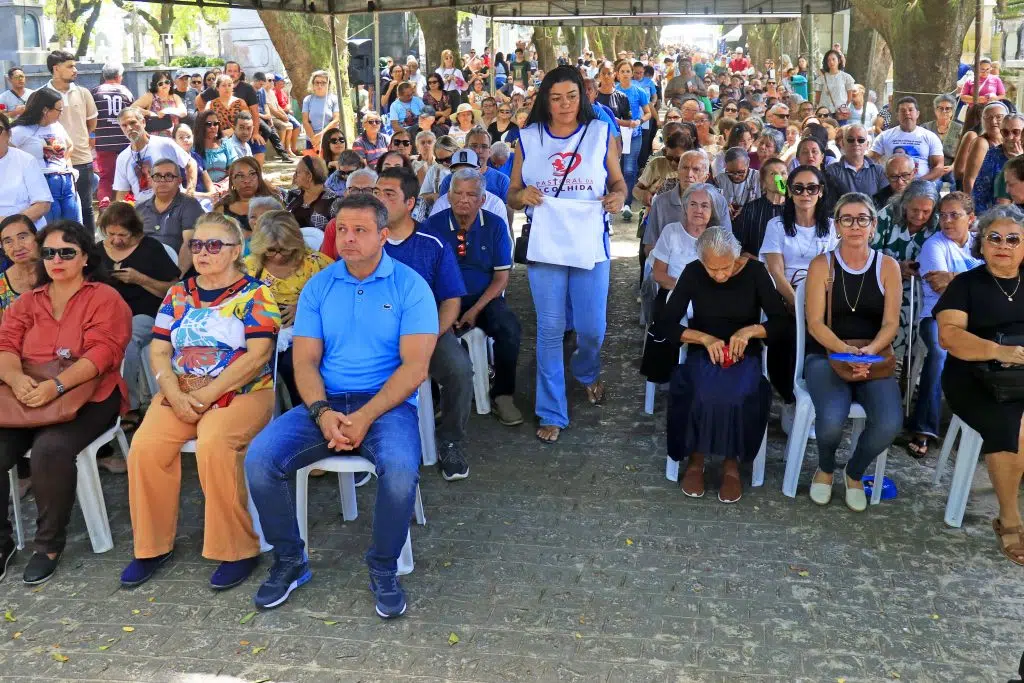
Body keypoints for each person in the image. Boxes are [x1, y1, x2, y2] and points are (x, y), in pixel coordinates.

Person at [244, 193, 438, 614]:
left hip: (386, 407)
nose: (348, 239)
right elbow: (306, 360)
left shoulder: (411, 287)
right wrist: (323, 412)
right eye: (342, 230)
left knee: (402, 471)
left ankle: (383, 566)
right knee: (259, 459)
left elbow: (414, 368)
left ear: (384, 236)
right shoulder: (320, 285)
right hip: (326, 402)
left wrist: (365, 417)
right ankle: (290, 561)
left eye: (360, 231)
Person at [118, 213, 279, 590]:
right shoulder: (179, 293)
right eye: (197, 245)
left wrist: (206, 395)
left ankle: (238, 549)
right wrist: (172, 392)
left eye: (214, 245)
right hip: (180, 391)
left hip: (244, 391)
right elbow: (159, 350)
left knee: (214, 446)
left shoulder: (257, 293)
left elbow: (257, 356)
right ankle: (152, 546)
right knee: (144, 448)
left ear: (237, 250)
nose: (203, 252)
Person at [0, 220, 131, 584]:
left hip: (90, 395)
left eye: (67, 252)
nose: (56, 259)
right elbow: (5, 345)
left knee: (50, 450)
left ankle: (48, 545)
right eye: (49, 253)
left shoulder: (105, 298)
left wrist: (56, 387)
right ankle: (2, 544)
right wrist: (16, 379)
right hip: (28, 393)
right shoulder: (29, 301)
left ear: (86, 257)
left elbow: (103, 353)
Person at [508, 66, 626, 443]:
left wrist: (619, 197)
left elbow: (618, 180)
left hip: (591, 241)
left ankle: (586, 370)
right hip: (546, 244)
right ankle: (551, 410)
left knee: (593, 328)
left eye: (571, 96)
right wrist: (521, 196)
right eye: (555, 97)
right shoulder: (527, 138)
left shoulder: (600, 132)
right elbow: (512, 192)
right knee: (549, 329)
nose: (563, 105)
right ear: (545, 99)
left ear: (583, 96)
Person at [652, 227, 784, 502]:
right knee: (701, 391)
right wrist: (703, 338)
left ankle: (731, 464)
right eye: (712, 270)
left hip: (744, 355)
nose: (720, 275)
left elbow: (781, 322)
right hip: (704, 352)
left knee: (737, 395)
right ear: (701, 261)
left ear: (736, 257)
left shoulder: (756, 272)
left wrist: (749, 332)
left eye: (726, 267)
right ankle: (696, 459)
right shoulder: (693, 272)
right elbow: (665, 323)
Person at [933, 205, 1024, 564]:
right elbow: (949, 337)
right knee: (1012, 428)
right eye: (994, 238)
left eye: (1013, 239)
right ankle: (1009, 518)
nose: (1004, 245)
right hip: (974, 376)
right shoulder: (966, 284)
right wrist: (999, 350)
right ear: (981, 245)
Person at [802, 192, 903, 511]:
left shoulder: (889, 267)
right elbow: (815, 324)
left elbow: (890, 324)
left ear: (873, 226)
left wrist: (869, 351)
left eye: (863, 219)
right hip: (826, 354)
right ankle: (827, 467)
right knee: (831, 419)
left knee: (889, 423)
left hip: (873, 356)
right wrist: (846, 351)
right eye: (847, 219)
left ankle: (855, 472)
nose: (855, 226)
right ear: (837, 226)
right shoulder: (822, 265)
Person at [373, 166, 474, 477]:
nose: (379, 201)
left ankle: (451, 441)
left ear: (410, 203)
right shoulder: (363, 241)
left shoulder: (432, 243)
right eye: (376, 193)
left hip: (426, 330)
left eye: (388, 195)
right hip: (374, 332)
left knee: (459, 369)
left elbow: (451, 300)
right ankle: (363, 441)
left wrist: (430, 336)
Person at [425, 167, 522, 426]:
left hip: (484, 298)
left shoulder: (495, 225)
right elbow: (426, 276)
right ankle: (434, 397)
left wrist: (474, 310)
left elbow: (501, 278)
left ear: (482, 199)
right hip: (444, 300)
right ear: (448, 196)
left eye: (471, 194)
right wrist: (450, 309)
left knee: (509, 328)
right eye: (457, 193)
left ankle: (503, 395)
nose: (463, 199)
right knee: (425, 331)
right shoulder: (433, 226)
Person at [904, 192, 983, 459]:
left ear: (971, 219)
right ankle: (923, 427)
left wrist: (956, 278)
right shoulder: (934, 245)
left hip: (977, 320)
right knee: (940, 352)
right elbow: (941, 288)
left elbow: (999, 280)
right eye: (943, 215)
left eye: (954, 215)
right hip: (937, 316)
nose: (946, 221)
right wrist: (978, 281)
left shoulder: (980, 244)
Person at [761, 165, 838, 425]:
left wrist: (813, 303)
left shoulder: (831, 227)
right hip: (785, 294)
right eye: (799, 188)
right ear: (790, 192)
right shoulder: (776, 225)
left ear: (820, 192)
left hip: (821, 295)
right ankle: (790, 397)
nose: (805, 193)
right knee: (785, 334)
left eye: (812, 188)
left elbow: (834, 270)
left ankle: (817, 400)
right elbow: (775, 269)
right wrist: (797, 301)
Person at [98, 201, 180, 435]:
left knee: (127, 341)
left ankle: (129, 406)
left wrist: (139, 279)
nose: (115, 240)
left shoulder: (151, 248)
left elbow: (173, 291)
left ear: (134, 231)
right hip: (106, 314)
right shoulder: (97, 250)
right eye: (110, 234)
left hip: (145, 312)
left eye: (122, 234)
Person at [243, 209, 333, 405]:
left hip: (304, 330)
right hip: (260, 328)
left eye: (283, 249)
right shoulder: (249, 266)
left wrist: (303, 307)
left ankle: (303, 408)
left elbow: (337, 300)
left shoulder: (316, 264)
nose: (276, 256)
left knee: (292, 364)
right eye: (270, 250)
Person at [872, 179, 940, 356]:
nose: (919, 216)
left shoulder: (937, 224)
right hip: (882, 281)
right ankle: (890, 359)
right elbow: (870, 253)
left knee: (923, 309)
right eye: (914, 210)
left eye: (926, 211)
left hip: (921, 285)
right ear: (904, 204)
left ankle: (912, 367)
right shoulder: (887, 216)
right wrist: (895, 268)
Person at [44, 51, 97, 233]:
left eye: (75, 66)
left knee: (86, 209)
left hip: (82, 159)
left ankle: (90, 253)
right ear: (56, 69)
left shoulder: (83, 93)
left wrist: (79, 139)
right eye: (70, 66)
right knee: (55, 213)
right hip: (52, 166)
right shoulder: (40, 95)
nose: (75, 70)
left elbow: (91, 123)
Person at [644, 150, 732, 259]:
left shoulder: (718, 201)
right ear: (678, 172)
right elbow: (650, 245)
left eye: (696, 169)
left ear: (706, 177)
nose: (689, 174)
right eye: (685, 168)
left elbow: (725, 242)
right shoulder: (661, 202)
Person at [10, 88, 79, 225]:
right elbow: (7, 154)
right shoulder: (20, 131)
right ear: (45, 110)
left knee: (74, 227)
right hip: (43, 183)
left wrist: (66, 165)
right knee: (51, 227)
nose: (61, 113)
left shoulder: (57, 126)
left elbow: (70, 145)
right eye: (59, 110)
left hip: (65, 181)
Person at [134, 158, 205, 272]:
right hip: (143, 269)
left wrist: (176, 279)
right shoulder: (140, 209)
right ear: (151, 181)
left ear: (179, 181)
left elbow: (190, 244)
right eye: (157, 176)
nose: (162, 181)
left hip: (179, 270)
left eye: (169, 176)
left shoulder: (190, 205)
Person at [113, 107, 196, 204]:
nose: (129, 128)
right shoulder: (122, 158)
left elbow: (191, 164)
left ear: (143, 122)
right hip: (145, 211)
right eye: (124, 125)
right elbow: (122, 192)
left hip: (174, 204)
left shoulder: (165, 144)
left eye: (132, 123)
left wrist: (190, 191)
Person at [868, 97, 946, 182]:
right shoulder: (885, 136)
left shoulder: (930, 136)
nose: (907, 113)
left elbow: (939, 167)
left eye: (910, 110)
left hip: (922, 185)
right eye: (903, 111)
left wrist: (918, 182)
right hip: (892, 184)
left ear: (917, 114)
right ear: (897, 116)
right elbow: (870, 159)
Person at [91, 63, 134, 207]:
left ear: (103, 76)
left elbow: (90, 116)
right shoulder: (126, 92)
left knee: (106, 177)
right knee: (128, 174)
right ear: (119, 76)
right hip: (125, 141)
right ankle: (128, 205)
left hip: (104, 142)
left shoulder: (95, 93)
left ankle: (105, 204)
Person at [615, 58, 653, 222]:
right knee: (616, 169)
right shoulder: (613, 92)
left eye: (628, 71)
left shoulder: (639, 91)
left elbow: (648, 112)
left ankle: (627, 204)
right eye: (622, 71)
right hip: (614, 136)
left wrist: (639, 121)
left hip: (634, 134)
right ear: (617, 74)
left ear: (632, 73)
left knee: (630, 170)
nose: (625, 74)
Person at [965, 113, 1024, 215]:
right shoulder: (992, 156)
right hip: (995, 215)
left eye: (1016, 132)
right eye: (1005, 132)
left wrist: (1019, 163)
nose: (1010, 137)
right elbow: (979, 196)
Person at [0, 112, 51, 228]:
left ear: (8, 134)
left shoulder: (25, 160)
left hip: (24, 230)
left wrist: (10, 226)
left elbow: (42, 204)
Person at [213, 157, 281, 237]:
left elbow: (283, 234)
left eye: (252, 174)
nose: (247, 180)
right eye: (240, 175)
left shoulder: (273, 204)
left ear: (259, 177)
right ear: (232, 180)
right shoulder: (221, 208)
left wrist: (247, 235)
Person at [437, 126, 509, 201]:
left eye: (484, 146)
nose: (479, 150)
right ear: (465, 148)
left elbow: (508, 211)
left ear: (490, 151)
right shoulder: (449, 180)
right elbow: (442, 208)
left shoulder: (502, 181)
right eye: (474, 146)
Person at [734, 157, 788, 257]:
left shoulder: (796, 208)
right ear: (763, 181)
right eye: (773, 174)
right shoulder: (751, 209)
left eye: (783, 173)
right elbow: (737, 245)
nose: (779, 178)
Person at [824, 123, 888, 200]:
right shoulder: (831, 171)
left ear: (867, 145)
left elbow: (884, 202)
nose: (856, 143)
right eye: (851, 140)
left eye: (861, 140)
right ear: (843, 144)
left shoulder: (879, 171)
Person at [287, 155, 337, 230]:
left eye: (297, 173)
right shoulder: (292, 195)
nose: (294, 176)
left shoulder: (333, 202)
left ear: (309, 176)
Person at [193, 108, 237, 189]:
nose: (213, 127)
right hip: (203, 190)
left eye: (216, 123)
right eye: (208, 124)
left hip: (225, 188)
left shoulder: (225, 143)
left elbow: (235, 168)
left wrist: (224, 185)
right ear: (200, 126)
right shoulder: (193, 147)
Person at [135, 71, 185, 139]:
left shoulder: (175, 97)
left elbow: (183, 113)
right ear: (156, 86)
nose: (164, 85)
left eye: (167, 82)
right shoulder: (150, 96)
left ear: (170, 84)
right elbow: (132, 108)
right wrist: (148, 113)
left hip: (174, 139)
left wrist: (166, 111)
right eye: (160, 83)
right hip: (155, 139)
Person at [921, 94, 963, 174]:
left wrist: (953, 167)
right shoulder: (925, 128)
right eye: (940, 108)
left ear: (953, 111)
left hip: (951, 169)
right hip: (930, 168)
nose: (944, 111)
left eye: (948, 108)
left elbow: (963, 152)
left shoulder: (960, 129)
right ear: (935, 110)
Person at [715, 147, 760, 218]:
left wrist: (747, 208)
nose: (736, 176)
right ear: (725, 166)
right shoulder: (720, 179)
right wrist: (723, 205)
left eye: (740, 172)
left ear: (748, 163)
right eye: (731, 172)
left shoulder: (758, 177)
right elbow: (715, 201)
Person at [174, 123, 215, 200]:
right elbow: (178, 190)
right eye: (181, 137)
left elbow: (208, 182)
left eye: (188, 137)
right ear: (174, 140)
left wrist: (213, 193)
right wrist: (206, 196)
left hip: (204, 200)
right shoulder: (172, 161)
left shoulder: (196, 156)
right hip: (184, 202)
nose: (185, 140)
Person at [813, 50, 855, 122]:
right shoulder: (821, 79)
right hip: (824, 114)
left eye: (833, 59)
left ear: (839, 61)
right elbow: (817, 99)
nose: (831, 62)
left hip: (841, 113)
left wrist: (842, 108)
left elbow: (849, 98)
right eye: (828, 60)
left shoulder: (846, 77)